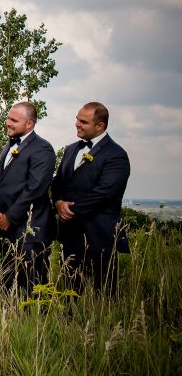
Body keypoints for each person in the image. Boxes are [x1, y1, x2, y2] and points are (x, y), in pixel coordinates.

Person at [52, 102, 131, 294]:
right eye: (77, 119)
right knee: (70, 291)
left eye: (83, 122)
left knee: (101, 293)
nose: (77, 124)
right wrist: (59, 202)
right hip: (70, 234)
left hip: (99, 236)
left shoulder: (116, 155)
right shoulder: (70, 150)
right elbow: (58, 181)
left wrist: (71, 210)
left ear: (100, 126)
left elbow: (104, 193)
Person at [0, 102, 56, 293]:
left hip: (30, 230)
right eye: (8, 118)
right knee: (8, 285)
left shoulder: (43, 149)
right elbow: (0, 184)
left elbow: (35, 189)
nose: (8, 123)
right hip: (6, 229)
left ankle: (34, 322)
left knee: (31, 286)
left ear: (29, 124)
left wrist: (9, 217)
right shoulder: (8, 146)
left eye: (14, 120)